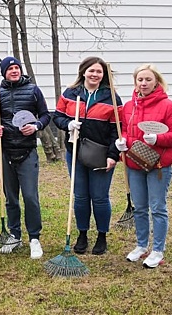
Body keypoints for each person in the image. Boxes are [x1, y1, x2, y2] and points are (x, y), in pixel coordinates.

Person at [115, 64, 172, 268]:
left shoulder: (168, 106)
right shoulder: (129, 106)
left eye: (148, 80)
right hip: (135, 163)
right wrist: (123, 141)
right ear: (135, 82)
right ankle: (141, 245)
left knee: (157, 208)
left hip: (158, 165)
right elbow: (126, 131)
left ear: (156, 82)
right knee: (140, 208)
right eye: (140, 80)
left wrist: (159, 138)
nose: (143, 83)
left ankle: (157, 249)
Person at [53, 56, 122, 255]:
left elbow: (117, 129)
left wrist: (113, 154)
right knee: (81, 197)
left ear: (104, 75)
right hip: (74, 152)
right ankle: (82, 234)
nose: (95, 74)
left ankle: (102, 236)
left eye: (99, 71)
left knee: (99, 197)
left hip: (101, 153)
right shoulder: (71, 93)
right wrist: (68, 124)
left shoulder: (111, 97)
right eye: (91, 70)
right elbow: (56, 115)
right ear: (83, 71)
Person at [0, 56, 51, 259]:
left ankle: (34, 238)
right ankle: (15, 235)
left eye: (16, 68)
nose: (14, 71)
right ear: (4, 72)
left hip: (27, 152)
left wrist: (36, 126)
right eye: (10, 69)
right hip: (5, 152)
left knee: (30, 197)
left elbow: (45, 115)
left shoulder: (33, 90)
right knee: (10, 198)